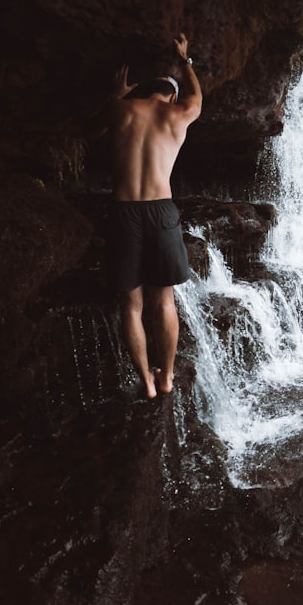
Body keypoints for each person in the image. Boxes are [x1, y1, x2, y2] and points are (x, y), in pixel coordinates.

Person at [95, 33, 202, 398]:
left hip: (125, 211)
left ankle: (145, 381)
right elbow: (197, 99)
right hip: (161, 210)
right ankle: (167, 375)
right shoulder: (178, 115)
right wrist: (185, 60)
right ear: (170, 96)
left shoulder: (122, 109)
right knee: (165, 300)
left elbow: (96, 124)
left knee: (132, 303)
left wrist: (119, 93)